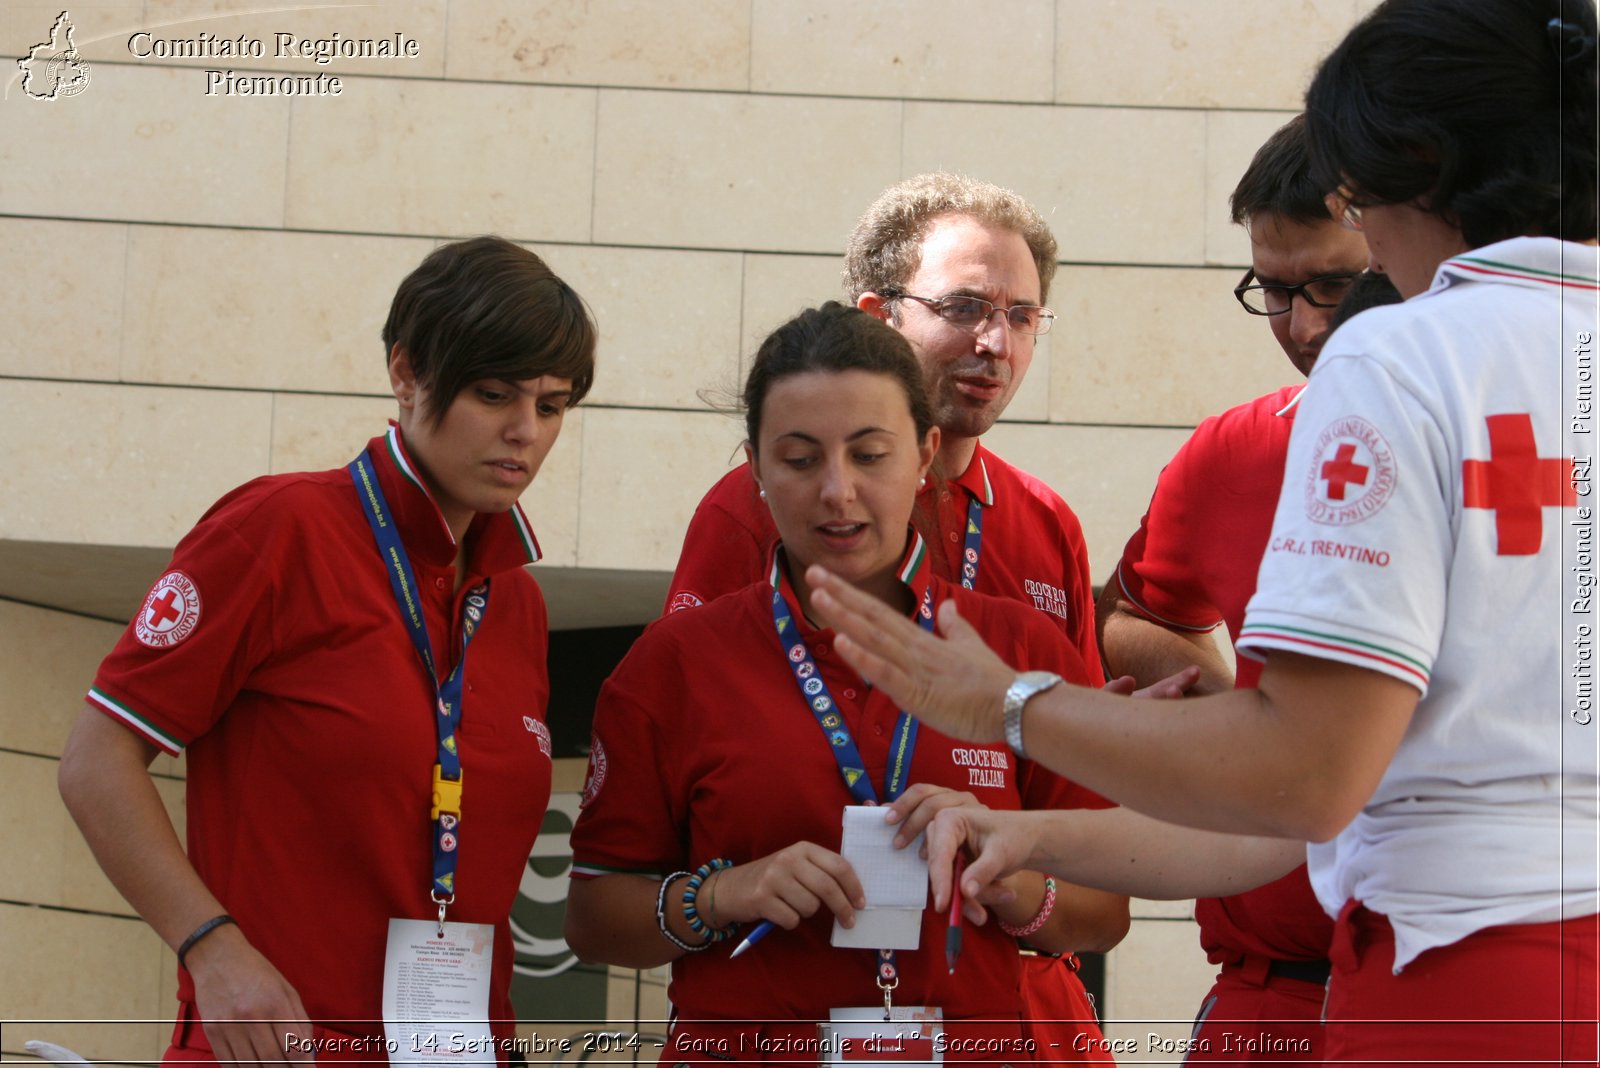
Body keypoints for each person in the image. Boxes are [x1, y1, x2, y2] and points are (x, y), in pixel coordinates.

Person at [804, 1, 1600, 1063]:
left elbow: (1306, 776)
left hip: (1465, 974)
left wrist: (1003, 703)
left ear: (1414, 170)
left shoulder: (1405, 356)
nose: (1318, 316)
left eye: (1356, 210)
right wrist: (1040, 826)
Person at [57, 236, 597, 1065]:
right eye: (494, 394)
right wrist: (211, 947)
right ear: (408, 372)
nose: (524, 431)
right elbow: (97, 759)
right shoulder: (277, 532)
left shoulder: (515, 600)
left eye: (552, 406)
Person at [565, 304, 1127, 1064]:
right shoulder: (675, 664)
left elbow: (1104, 912)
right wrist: (722, 895)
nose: (838, 491)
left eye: (869, 455)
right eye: (800, 459)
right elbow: (596, 916)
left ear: (926, 452)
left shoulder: (1020, 647)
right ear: (755, 468)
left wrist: (1005, 872)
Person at [663, 172, 1119, 1051]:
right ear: (877, 314)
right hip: (798, 999)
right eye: (965, 307)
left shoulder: (1044, 521)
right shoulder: (748, 513)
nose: (996, 342)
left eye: (1024, 317)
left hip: (1014, 1006)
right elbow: (687, 770)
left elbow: (1090, 826)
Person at [1092, 118, 1388, 1062]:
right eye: (1275, 290)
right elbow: (1133, 614)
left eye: (1333, 287)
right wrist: (1238, 715)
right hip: (1271, 1004)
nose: (1302, 328)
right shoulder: (1234, 449)